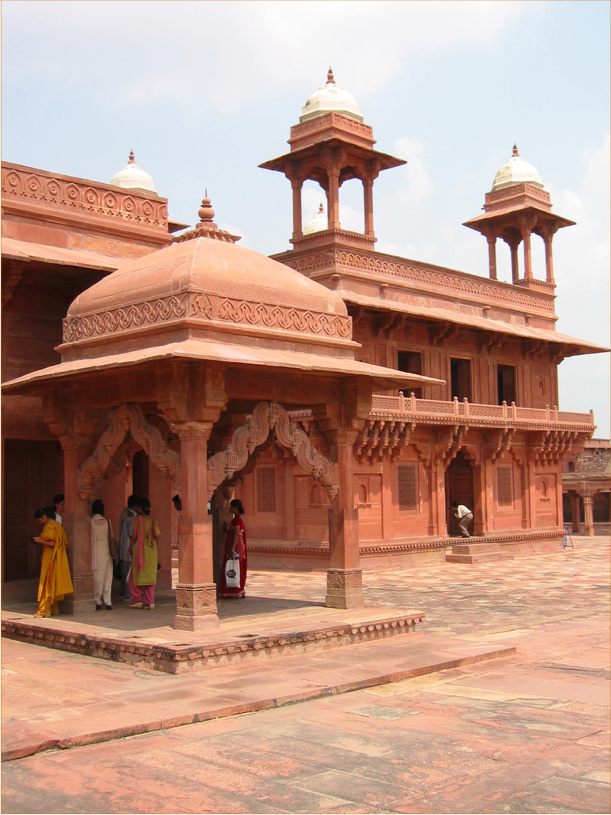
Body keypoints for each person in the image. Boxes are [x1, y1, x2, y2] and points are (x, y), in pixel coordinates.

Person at [31, 506, 73, 617]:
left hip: (51, 559)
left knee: (46, 584)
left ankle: (43, 611)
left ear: (44, 517)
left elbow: (51, 543)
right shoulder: (58, 526)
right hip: (57, 558)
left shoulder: (50, 527)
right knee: (52, 583)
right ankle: (53, 608)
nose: (40, 522)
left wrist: (38, 540)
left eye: (40, 520)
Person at [127, 498, 160, 610]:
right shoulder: (153, 520)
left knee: (135, 575)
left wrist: (128, 549)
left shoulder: (137, 520)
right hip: (151, 551)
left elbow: (134, 537)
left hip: (139, 551)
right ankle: (150, 602)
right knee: (150, 577)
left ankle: (137, 600)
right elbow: (157, 535)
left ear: (140, 509)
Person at [218, 499, 247, 598]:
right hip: (238, 546)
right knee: (236, 567)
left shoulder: (237, 520)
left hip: (236, 547)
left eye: (231, 507)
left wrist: (232, 548)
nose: (230, 508)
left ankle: (234, 590)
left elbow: (236, 533)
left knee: (233, 568)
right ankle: (237, 590)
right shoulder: (238, 519)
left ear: (236, 508)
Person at [91, 499, 115, 610]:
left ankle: (97, 600)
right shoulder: (107, 521)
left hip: (95, 552)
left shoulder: (90, 522)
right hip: (106, 552)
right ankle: (108, 601)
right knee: (107, 577)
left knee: (97, 576)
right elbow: (111, 537)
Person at [117, 494, 138, 602]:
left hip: (122, 548)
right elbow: (132, 534)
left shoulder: (124, 514)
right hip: (128, 550)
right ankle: (128, 595)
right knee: (128, 575)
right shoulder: (130, 517)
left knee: (125, 573)